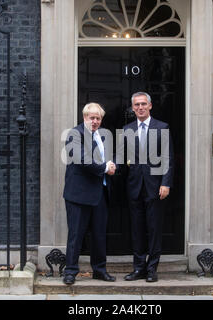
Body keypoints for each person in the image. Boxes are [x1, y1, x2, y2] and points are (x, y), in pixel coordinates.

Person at [121, 92, 174, 283]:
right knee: (136, 229)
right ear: (133, 107)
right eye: (137, 105)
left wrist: (166, 183)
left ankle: (152, 269)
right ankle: (138, 268)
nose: (140, 107)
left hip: (155, 187)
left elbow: (168, 158)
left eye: (143, 104)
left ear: (150, 106)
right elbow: (122, 159)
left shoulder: (162, 127)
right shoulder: (126, 129)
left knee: (154, 229)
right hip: (134, 187)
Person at [62, 103, 116, 285]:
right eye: (91, 117)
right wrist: (105, 167)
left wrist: (113, 164)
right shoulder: (74, 134)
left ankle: (99, 270)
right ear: (84, 117)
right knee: (76, 234)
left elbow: (109, 156)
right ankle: (70, 271)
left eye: (98, 118)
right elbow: (82, 159)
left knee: (99, 234)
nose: (94, 121)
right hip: (79, 194)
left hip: (100, 193)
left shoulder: (103, 135)